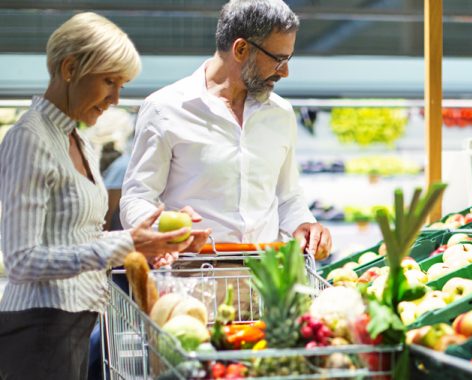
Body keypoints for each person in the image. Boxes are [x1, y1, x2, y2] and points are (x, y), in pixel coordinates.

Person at [0, 13, 204, 380]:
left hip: (75, 325)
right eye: (109, 82)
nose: (115, 98)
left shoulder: (81, 142)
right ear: (70, 68)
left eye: (121, 85)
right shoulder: (29, 139)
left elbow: (79, 240)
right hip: (37, 330)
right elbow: (21, 260)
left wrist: (146, 239)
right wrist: (124, 243)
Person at [120, 0, 332, 259]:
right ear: (241, 49)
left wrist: (304, 226)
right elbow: (137, 199)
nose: (285, 72)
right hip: (191, 281)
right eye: (279, 60)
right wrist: (166, 230)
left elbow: (287, 197)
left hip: (264, 283)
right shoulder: (165, 108)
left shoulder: (281, 114)